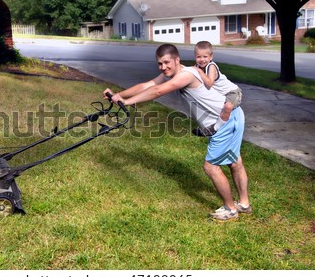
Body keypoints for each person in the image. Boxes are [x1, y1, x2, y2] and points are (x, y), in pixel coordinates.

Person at [104, 43, 251, 221]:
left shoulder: (186, 75)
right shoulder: (172, 73)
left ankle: (230, 209)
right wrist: (120, 95)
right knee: (234, 162)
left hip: (225, 120)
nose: (163, 67)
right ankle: (243, 204)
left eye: (167, 62)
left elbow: (157, 91)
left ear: (177, 60)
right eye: (160, 64)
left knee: (211, 167)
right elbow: (148, 85)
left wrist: (127, 103)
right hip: (233, 116)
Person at [192, 40, 243, 137]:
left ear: (211, 57)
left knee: (227, 107)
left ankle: (214, 129)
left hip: (233, 92)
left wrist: (199, 71)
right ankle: (207, 125)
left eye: (205, 56)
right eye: (199, 57)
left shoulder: (211, 66)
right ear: (195, 56)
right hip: (220, 95)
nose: (202, 59)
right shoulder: (197, 66)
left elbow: (210, 83)